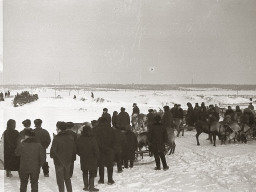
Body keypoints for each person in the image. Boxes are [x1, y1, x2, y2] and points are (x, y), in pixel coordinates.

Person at [50, 121, 76, 192]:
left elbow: (52, 152)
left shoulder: (56, 138)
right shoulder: (71, 137)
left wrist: (52, 156)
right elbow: (74, 150)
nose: (56, 129)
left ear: (59, 129)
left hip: (58, 162)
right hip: (68, 162)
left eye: (56, 128)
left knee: (60, 180)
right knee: (67, 179)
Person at [76, 126, 99, 192]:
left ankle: (86, 187)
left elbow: (77, 149)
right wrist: (97, 156)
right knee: (92, 173)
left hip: (83, 158)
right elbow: (96, 149)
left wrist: (81, 154)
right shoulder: (92, 138)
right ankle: (91, 187)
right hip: (92, 158)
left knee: (85, 172)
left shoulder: (79, 139)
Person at [95, 118, 115, 185]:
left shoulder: (97, 129)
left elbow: (95, 140)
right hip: (109, 149)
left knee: (101, 165)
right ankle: (110, 180)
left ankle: (101, 180)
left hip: (100, 150)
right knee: (110, 165)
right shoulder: (111, 129)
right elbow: (114, 140)